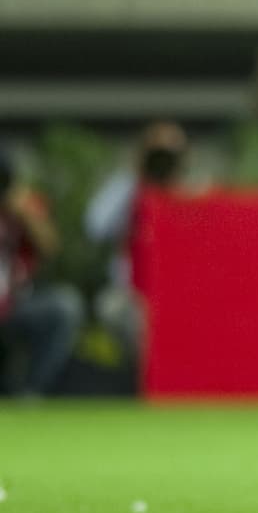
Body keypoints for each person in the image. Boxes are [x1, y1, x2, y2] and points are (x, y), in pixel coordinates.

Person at [84, 120, 190, 357]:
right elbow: (94, 224)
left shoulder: (185, 195)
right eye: (158, 155)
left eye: (169, 156)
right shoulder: (129, 189)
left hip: (177, 296)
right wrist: (138, 177)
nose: (162, 164)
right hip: (128, 295)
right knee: (136, 318)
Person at [0, 148, 85, 397]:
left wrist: (23, 214)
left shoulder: (22, 209)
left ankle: (31, 391)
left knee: (64, 305)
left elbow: (49, 247)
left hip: (14, 305)